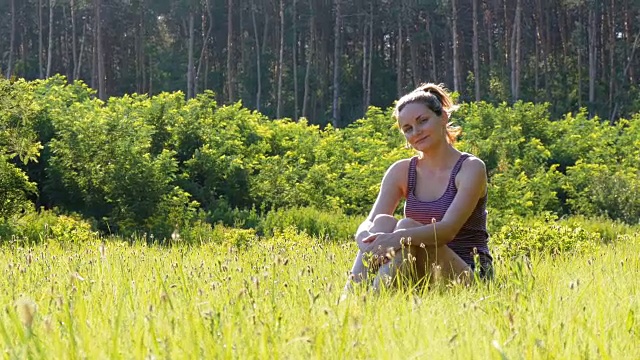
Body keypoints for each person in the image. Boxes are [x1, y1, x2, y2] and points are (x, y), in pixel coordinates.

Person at [347, 83, 493, 291]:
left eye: (422, 121)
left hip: (468, 274)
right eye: (407, 129)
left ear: (443, 117)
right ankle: (352, 300)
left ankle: (372, 302)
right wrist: (365, 240)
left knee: (407, 227)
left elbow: (447, 230)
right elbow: (369, 221)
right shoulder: (402, 171)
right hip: (419, 270)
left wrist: (397, 238)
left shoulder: (470, 168)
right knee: (381, 222)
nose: (416, 132)